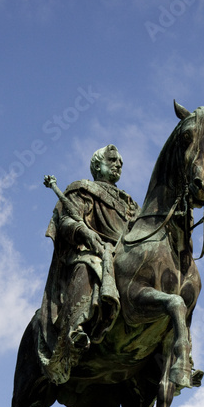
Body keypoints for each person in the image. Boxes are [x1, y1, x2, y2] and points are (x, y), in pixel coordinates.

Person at [38, 145, 139, 385]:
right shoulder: (82, 190)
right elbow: (65, 222)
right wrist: (84, 232)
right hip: (91, 251)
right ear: (97, 165)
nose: (118, 165)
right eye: (112, 160)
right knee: (88, 266)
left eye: (120, 162)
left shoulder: (130, 203)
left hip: (124, 253)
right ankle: (75, 330)